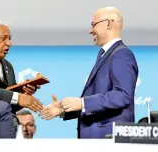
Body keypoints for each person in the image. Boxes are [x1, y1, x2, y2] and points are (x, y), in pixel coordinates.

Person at [39, 6, 138, 138]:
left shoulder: (121, 54)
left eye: (93, 25)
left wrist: (82, 103)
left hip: (108, 139)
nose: (90, 31)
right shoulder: (105, 55)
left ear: (108, 23)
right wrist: (64, 109)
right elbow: (98, 105)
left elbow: (122, 95)